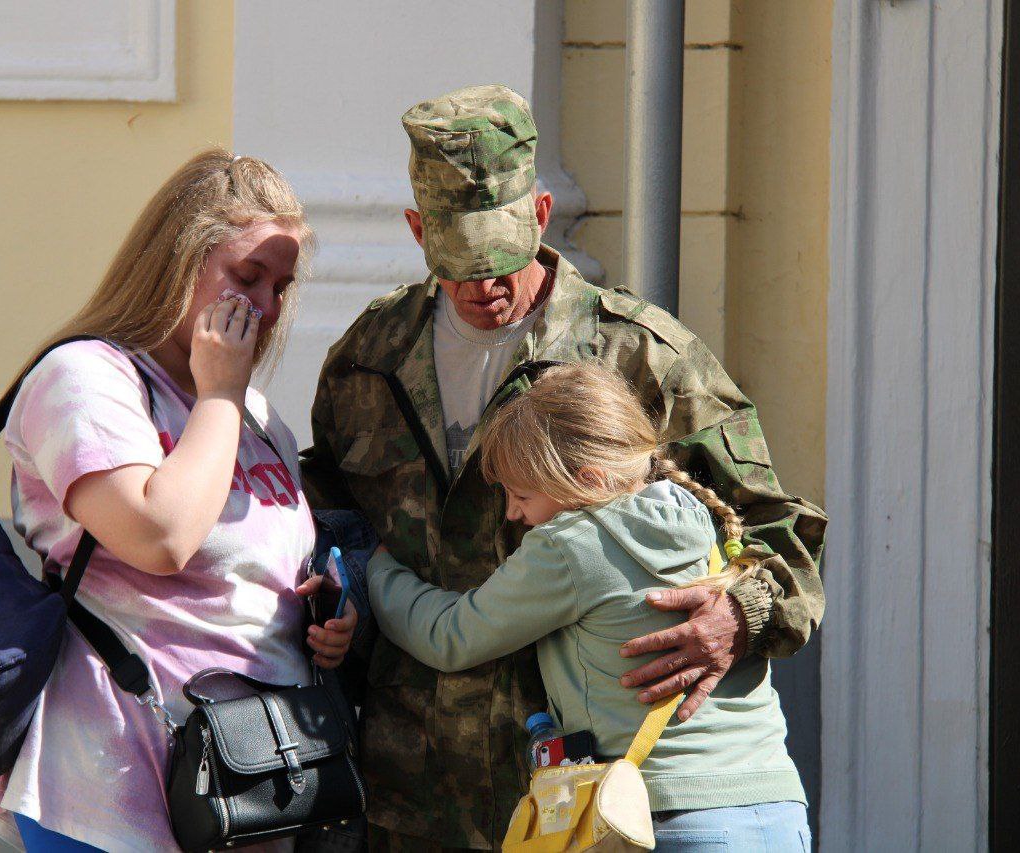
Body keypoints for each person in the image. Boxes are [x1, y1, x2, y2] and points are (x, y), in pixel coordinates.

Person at [300, 84, 827, 850]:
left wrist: (738, 616)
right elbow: (326, 512)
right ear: (418, 231)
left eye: (503, 254)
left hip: (585, 804)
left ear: (541, 215)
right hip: (408, 792)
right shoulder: (369, 360)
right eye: (461, 258)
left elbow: (782, 534)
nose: (486, 284)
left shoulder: (640, 356)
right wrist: (337, 591)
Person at [0, 150, 357, 852]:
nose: (268, 306)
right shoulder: (86, 378)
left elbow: (256, 574)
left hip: (251, 790)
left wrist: (329, 609)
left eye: (282, 285)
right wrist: (218, 395)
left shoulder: (257, 416)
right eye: (247, 277)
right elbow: (160, 536)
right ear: (178, 260)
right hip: (109, 789)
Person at [366, 362, 809, 849]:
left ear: (589, 481)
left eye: (521, 495)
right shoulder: (699, 517)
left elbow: (451, 636)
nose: (514, 513)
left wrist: (378, 570)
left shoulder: (571, 545)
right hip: (775, 806)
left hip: (663, 816)